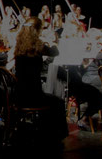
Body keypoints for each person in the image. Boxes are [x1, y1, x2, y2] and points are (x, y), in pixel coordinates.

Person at [12, 17, 69, 146]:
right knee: (58, 102)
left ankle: (44, 131)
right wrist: (53, 42)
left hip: (19, 94)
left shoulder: (19, 45)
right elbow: (55, 52)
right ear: (36, 30)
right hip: (33, 95)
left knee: (51, 100)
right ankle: (55, 136)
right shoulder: (38, 45)